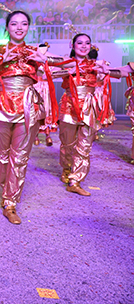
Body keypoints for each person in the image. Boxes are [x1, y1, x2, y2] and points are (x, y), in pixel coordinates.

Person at [0, 10, 59, 225]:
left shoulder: (35, 50)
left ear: (28, 27)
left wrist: (44, 59)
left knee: (19, 157)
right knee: (2, 155)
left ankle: (10, 202)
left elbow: (63, 64)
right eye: (15, 24)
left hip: (28, 105)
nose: (19, 27)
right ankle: (6, 189)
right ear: (7, 28)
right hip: (2, 103)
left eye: (24, 24)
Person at [56, 34, 113, 195]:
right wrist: (70, 70)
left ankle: (75, 180)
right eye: (80, 43)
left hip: (89, 106)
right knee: (67, 144)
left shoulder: (96, 65)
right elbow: (50, 73)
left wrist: (103, 70)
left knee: (84, 146)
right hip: (69, 104)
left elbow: (106, 77)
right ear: (72, 45)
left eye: (87, 43)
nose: (84, 46)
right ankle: (67, 169)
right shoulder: (66, 63)